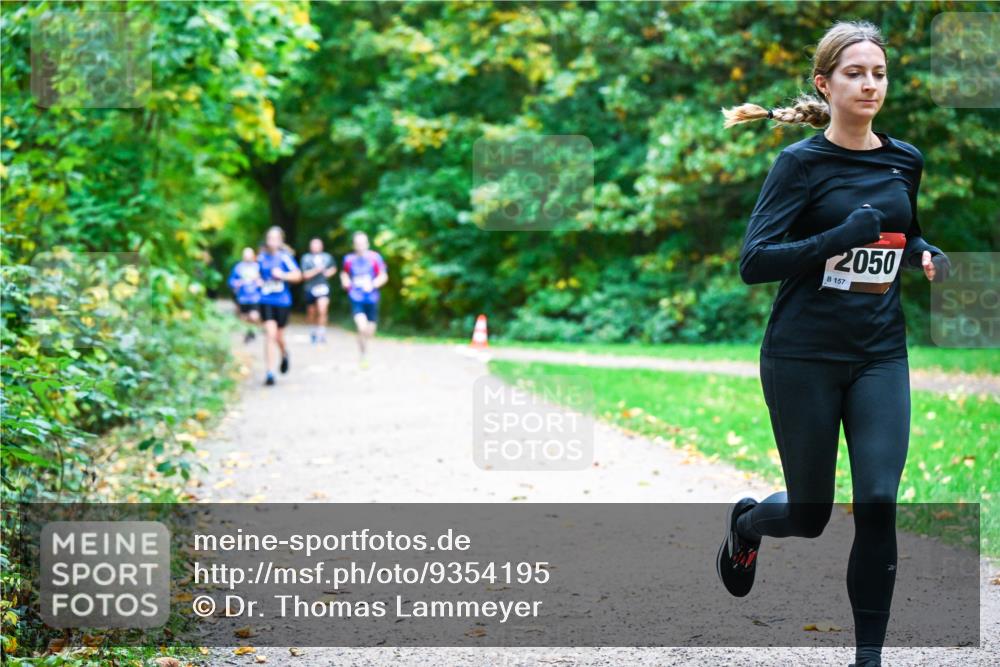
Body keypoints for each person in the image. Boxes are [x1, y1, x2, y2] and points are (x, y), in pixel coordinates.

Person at [717, 20, 950, 667]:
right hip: (802, 358)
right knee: (811, 512)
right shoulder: (800, 164)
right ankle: (746, 523)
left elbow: (907, 234)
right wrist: (836, 237)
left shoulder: (905, 159)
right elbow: (756, 260)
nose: (870, 83)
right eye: (855, 72)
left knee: (877, 500)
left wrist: (927, 255)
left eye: (878, 72)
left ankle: (867, 658)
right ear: (825, 83)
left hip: (879, 354)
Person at [256, 226, 302, 386]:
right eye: (269, 238)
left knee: (278, 336)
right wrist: (259, 281)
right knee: (269, 334)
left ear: (281, 241)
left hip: (282, 301)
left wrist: (282, 275)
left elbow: (298, 275)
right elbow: (257, 276)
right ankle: (269, 372)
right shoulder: (261, 258)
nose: (272, 242)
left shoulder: (285, 257)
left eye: (275, 238)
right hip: (265, 300)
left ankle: (284, 353)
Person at [339, 231, 388, 366]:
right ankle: (363, 355)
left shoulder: (375, 258)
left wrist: (373, 284)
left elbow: (383, 276)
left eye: (363, 243)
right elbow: (344, 274)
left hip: (372, 298)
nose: (360, 246)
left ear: (367, 244)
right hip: (356, 297)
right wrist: (346, 282)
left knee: (370, 330)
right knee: (362, 327)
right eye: (357, 243)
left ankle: (365, 350)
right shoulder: (349, 259)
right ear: (354, 245)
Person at [300, 238, 337, 344]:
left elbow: (333, 268)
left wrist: (328, 273)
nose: (315, 247)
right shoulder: (306, 258)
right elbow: (304, 275)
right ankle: (312, 332)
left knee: (322, 309)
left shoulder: (327, 257)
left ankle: (321, 334)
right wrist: (317, 270)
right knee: (311, 312)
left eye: (317, 245)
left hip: (323, 287)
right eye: (313, 245)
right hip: (310, 288)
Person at [227, 247, 262, 344]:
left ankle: (251, 331)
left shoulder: (258, 267)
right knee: (244, 318)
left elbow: (265, 280)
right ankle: (249, 332)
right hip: (242, 297)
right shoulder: (238, 267)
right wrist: (237, 283)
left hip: (255, 297)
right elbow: (230, 281)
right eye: (246, 255)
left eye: (249, 255)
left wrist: (260, 283)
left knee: (254, 316)